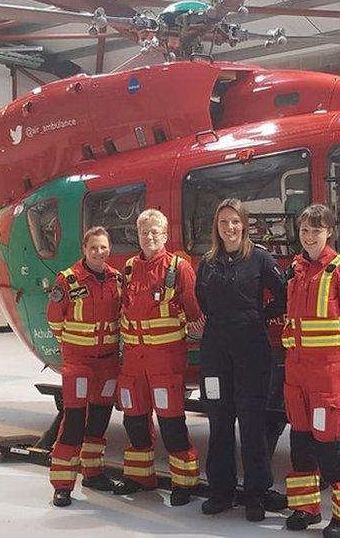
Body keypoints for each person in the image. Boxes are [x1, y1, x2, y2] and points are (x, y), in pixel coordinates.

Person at [195, 199, 288, 521]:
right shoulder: (207, 263)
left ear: (244, 225)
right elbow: (203, 301)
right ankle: (220, 491)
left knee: (252, 421)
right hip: (216, 351)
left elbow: (283, 295)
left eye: (235, 222)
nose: (229, 228)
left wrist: (259, 316)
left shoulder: (260, 259)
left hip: (251, 349)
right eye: (223, 222)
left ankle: (256, 493)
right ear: (216, 227)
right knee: (219, 421)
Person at [282, 204, 340, 538]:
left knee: (329, 445)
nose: (309, 236)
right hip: (297, 374)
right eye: (304, 230)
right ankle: (305, 508)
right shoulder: (297, 269)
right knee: (300, 442)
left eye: (316, 230)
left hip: (326, 375)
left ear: (329, 232)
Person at [112, 208, 203, 506]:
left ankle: (183, 483)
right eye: (144, 232)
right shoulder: (128, 269)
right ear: (137, 235)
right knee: (134, 421)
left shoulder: (179, 268)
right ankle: (140, 478)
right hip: (133, 364)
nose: (149, 237)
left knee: (172, 423)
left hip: (166, 363)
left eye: (155, 232)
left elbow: (195, 315)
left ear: (165, 235)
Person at [45, 226, 123, 507]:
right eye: (94, 248)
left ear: (108, 248)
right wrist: (76, 346)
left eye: (103, 247)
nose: (99, 252)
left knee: (100, 420)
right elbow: (55, 319)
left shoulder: (117, 279)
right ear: (84, 249)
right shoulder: (67, 280)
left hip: (108, 364)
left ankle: (93, 473)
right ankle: (63, 485)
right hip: (79, 363)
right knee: (74, 423)